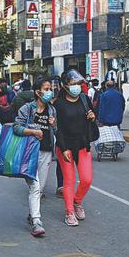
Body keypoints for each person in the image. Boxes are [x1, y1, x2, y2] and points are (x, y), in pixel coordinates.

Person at [13, 79, 56, 237]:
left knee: (41, 186)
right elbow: (16, 127)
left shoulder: (51, 109)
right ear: (38, 92)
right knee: (35, 187)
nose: (50, 91)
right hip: (29, 152)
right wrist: (33, 132)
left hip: (46, 152)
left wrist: (53, 124)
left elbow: (54, 131)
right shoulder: (27, 108)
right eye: (46, 88)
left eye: (50, 88)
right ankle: (37, 221)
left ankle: (32, 214)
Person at [54, 69, 95, 227]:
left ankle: (77, 201)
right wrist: (63, 148)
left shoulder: (85, 99)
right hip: (66, 146)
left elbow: (91, 117)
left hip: (82, 145)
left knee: (86, 179)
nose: (77, 87)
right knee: (69, 180)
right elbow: (58, 129)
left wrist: (92, 117)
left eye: (79, 83)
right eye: (73, 84)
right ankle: (69, 211)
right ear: (65, 86)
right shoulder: (59, 104)